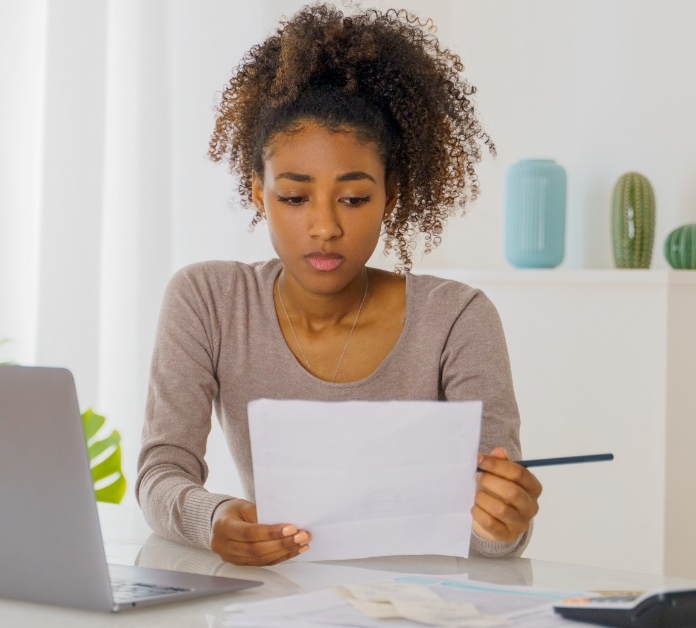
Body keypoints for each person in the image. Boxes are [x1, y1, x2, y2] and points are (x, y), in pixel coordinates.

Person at [136, 4, 542, 567]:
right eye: (294, 197)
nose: (325, 226)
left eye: (354, 199)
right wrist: (215, 520)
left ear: (390, 196)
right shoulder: (208, 301)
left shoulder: (457, 319)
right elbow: (162, 473)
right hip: (277, 599)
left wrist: (503, 520)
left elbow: (489, 537)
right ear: (258, 192)